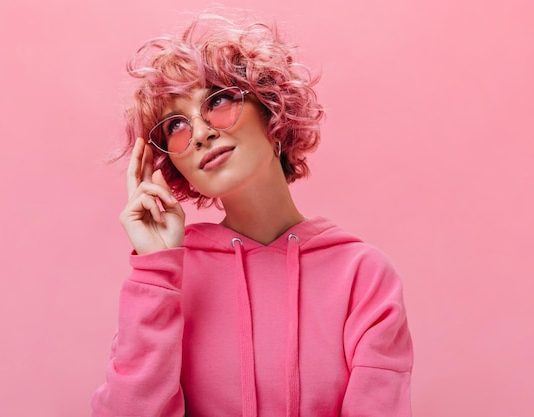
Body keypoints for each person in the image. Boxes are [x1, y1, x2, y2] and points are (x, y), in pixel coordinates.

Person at [91, 10, 413, 417]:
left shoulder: (362, 276)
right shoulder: (173, 274)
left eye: (219, 100)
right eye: (176, 125)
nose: (202, 133)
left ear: (271, 110)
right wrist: (157, 270)